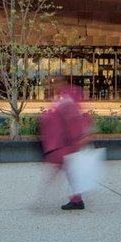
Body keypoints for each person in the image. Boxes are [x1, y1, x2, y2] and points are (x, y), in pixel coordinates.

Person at [40, 76, 92, 210]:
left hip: (66, 144)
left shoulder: (65, 99)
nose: (53, 86)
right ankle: (76, 199)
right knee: (69, 171)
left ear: (62, 83)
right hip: (65, 143)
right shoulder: (64, 97)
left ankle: (75, 200)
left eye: (55, 83)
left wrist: (79, 138)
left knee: (65, 171)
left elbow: (73, 120)